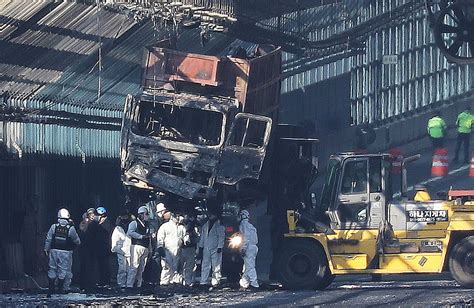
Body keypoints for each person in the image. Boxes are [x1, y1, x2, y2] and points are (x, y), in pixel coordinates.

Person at [44, 208, 81, 297]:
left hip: (53, 251)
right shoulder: (70, 228)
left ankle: (51, 288)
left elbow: (48, 239)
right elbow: (77, 241)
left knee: (52, 268)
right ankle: (60, 289)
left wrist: (46, 249)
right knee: (63, 269)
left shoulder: (54, 226)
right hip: (65, 252)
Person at [126, 206, 151, 289]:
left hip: (145, 247)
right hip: (136, 246)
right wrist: (141, 236)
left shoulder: (147, 225)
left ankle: (138, 285)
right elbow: (130, 232)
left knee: (141, 268)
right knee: (134, 266)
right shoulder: (134, 223)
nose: (147, 216)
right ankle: (129, 285)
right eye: (146, 214)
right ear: (141, 215)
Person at [198, 212, 225, 288]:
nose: (211, 216)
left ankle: (216, 281)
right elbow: (203, 237)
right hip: (206, 248)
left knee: (216, 265)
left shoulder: (219, 226)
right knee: (205, 265)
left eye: (212, 214)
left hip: (216, 248)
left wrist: (220, 247)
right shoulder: (205, 225)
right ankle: (203, 281)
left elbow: (221, 237)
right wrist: (201, 246)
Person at [156, 211, 183, 286]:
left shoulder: (180, 227)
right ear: (172, 216)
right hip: (167, 251)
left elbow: (183, 237)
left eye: (178, 216)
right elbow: (160, 238)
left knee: (177, 268)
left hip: (178, 250)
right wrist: (160, 247)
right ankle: (164, 283)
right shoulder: (165, 226)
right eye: (175, 216)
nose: (177, 218)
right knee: (167, 268)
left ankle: (175, 283)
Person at [238, 210, 259, 290]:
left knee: (250, 266)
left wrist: (243, 248)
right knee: (247, 266)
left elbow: (245, 238)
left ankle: (254, 284)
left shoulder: (243, 225)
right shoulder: (251, 226)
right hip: (254, 247)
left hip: (248, 248)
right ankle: (244, 283)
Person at [78, 208, 97, 292]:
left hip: (91, 248)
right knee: (86, 266)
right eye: (91, 214)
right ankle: (85, 284)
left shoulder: (94, 224)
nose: (93, 216)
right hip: (85, 248)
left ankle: (88, 284)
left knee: (90, 266)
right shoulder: (85, 223)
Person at [111, 213, 131, 288]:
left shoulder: (130, 227)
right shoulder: (117, 229)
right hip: (121, 251)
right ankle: (121, 284)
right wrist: (117, 250)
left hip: (130, 250)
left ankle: (129, 284)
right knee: (122, 268)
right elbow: (114, 241)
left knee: (130, 268)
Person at [178, 214, 199, 287]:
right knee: (180, 266)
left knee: (189, 266)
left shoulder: (194, 228)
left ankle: (188, 282)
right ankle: (179, 281)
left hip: (190, 248)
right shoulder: (180, 227)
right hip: (182, 249)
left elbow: (196, 239)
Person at [96, 206, 113, 287]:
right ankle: (101, 280)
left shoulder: (106, 223)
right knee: (100, 264)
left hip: (104, 247)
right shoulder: (99, 223)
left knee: (104, 265)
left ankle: (105, 281)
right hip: (99, 247)